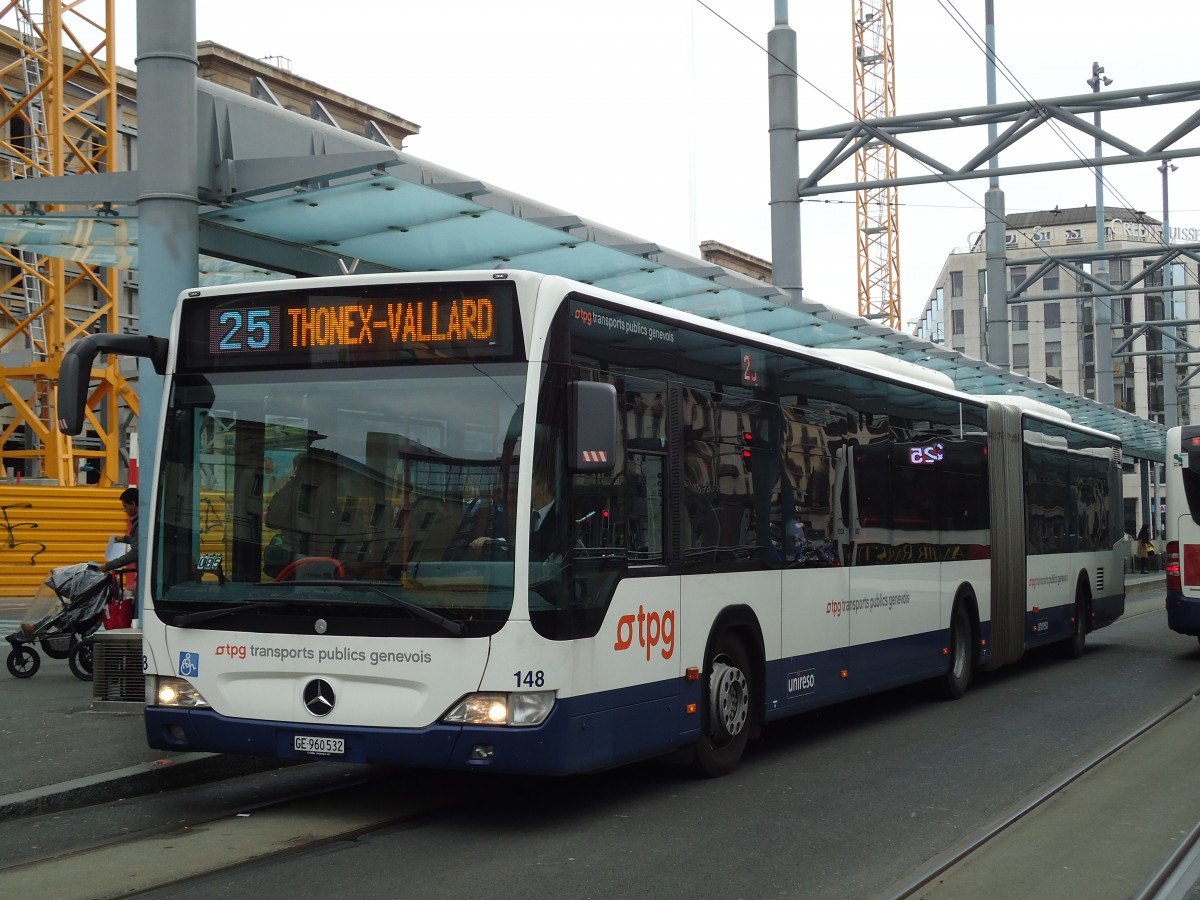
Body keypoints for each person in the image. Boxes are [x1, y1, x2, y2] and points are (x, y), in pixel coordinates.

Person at [99, 487, 138, 574]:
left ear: (133, 503)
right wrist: (124, 539)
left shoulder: (140, 523)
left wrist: (107, 566)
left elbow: (136, 552)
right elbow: (142, 543)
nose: (124, 510)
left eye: (125, 506)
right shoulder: (142, 522)